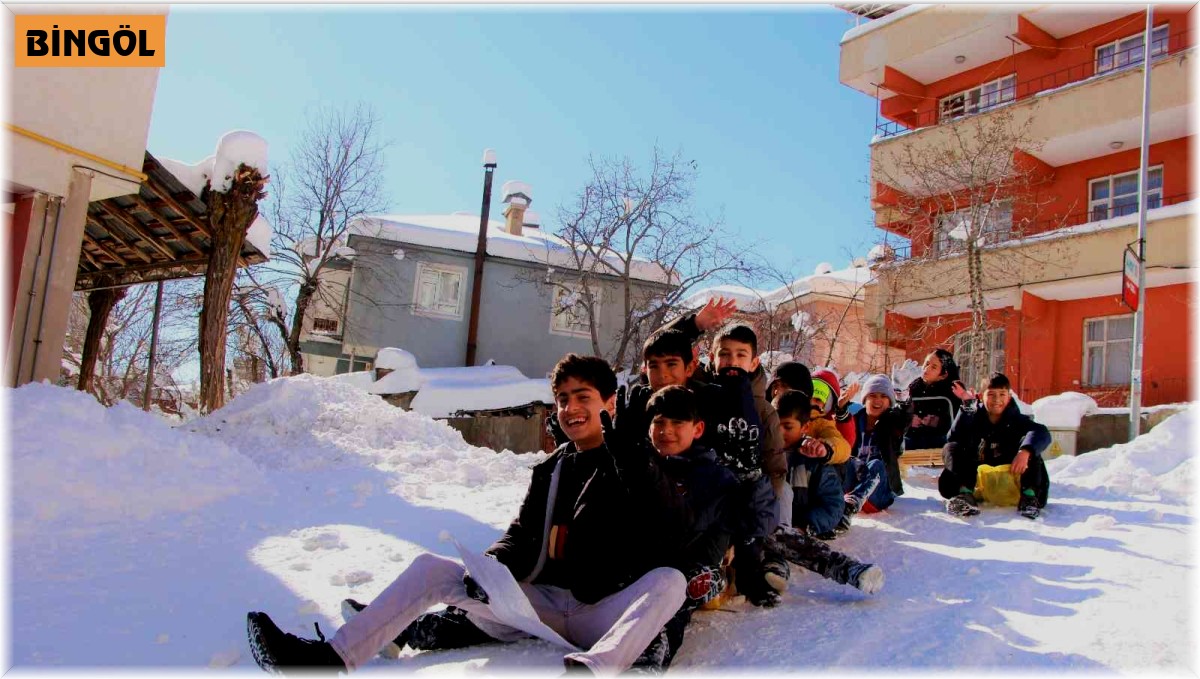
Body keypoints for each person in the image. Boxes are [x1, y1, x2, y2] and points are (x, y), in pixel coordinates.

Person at [245, 354, 691, 675]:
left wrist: (628, 454)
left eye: (583, 397)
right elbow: (520, 536)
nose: (571, 408)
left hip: (600, 611)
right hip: (538, 608)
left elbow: (666, 519)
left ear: (609, 403)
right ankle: (327, 661)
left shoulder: (641, 461)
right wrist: (492, 566)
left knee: (671, 580)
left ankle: (597, 669)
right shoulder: (550, 471)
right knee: (431, 569)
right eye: (561, 399)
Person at [632, 385, 740, 673]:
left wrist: (706, 566)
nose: (666, 430)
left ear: (698, 428)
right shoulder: (640, 464)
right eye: (659, 422)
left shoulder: (714, 475)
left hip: (692, 566)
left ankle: (651, 657)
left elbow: (722, 528)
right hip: (645, 564)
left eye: (677, 422)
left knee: (671, 605)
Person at [938, 372, 1051, 519]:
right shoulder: (973, 415)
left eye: (1002, 394)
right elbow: (954, 438)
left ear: (1009, 397)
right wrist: (967, 407)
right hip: (975, 480)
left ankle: (1029, 498)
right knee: (952, 447)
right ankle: (965, 496)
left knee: (1030, 446)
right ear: (980, 396)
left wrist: (1024, 451)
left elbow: (1041, 432)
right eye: (991, 394)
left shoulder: (1016, 419)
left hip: (1011, 481)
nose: (997, 400)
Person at [838, 375, 909, 532]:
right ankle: (836, 506)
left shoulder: (892, 422)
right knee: (845, 459)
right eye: (873, 395)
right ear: (864, 399)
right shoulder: (855, 420)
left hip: (878, 494)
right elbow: (841, 436)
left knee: (877, 464)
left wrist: (903, 398)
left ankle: (850, 505)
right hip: (853, 485)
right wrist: (841, 408)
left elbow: (904, 419)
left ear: (890, 401)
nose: (878, 400)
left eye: (884, 396)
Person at [774, 390, 844, 539]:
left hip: (800, 528)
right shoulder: (762, 453)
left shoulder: (813, 459)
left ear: (805, 427)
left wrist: (806, 526)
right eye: (774, 425)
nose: (779, 433)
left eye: (787, 427)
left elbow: (832, 504)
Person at [903, 348, 970, 451]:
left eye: (933, 367)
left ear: (943, 375)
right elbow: (899, 412)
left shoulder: (952, 391)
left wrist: (937, 422)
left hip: (940, 440)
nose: (926, 368)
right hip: (912, 438)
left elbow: (959, 422)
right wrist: (909, 419)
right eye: (926, 363)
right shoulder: (911, 387)